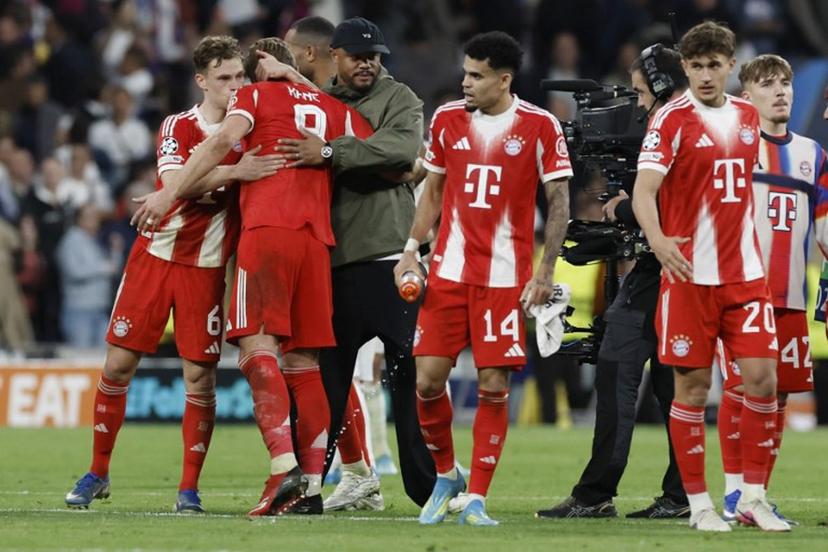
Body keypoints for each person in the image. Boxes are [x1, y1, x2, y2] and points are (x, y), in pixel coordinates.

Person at [142, 37, 373, 516]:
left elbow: (223, 141)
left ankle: (281, 466)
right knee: (305, 364)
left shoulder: (253, 97)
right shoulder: (329, 106)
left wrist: (169, 195)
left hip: (268, 230)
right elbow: (373, 144)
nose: (238, 84)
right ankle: (309, 487)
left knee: (254, 349)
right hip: (318, 241)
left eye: (243, 74)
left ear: (259, 71)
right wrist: (303, 84)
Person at [64, 35, 279, 513]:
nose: (235, 85)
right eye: (224, 78)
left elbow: (185, 185)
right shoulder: (177, 126)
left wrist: (229, 172)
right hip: (154, 257)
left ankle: (188, 490)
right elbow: (172, 185)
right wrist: (234, 172)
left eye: (241, 76)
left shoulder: (253, 127)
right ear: (202, 81)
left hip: (205, 268)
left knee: (199, 380)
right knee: (118, 366)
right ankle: (98, 472)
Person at [394, 31, 572, 526]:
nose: (465, 82)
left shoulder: (540, 125)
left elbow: (557, 200)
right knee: (427, 382)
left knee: (494, 385)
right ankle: (447, 474)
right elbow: (433, 189)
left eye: (476, 75)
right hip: (447, 272)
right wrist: (411, 250)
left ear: (503, 79)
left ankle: (477, 495)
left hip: (503, 278)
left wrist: (545, 269)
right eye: (465, 73)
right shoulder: (448, 118)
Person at [259, 16, 435, 510]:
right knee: (324, 381)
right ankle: (308, 489)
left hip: (390, 258)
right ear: (334, 57)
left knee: (409, 376)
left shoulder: (400, 98)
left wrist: (331, 152)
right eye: (358, 56)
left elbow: (401, 149)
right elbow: (389, 158)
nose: (368, 64)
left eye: (375, 55)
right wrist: (374, 161)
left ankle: (427, 490)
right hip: (331, 261)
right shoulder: (319, 101)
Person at [630, 21, 789, 533]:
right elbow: (644, 190)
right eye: (695, 66)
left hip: (744, 275)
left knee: (763, 380)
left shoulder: (747, 115)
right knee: (693, 390)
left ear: (729, 65)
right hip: (689, 277)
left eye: (713, 64)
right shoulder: (671, 120)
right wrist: (657, 240)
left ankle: (754, 498)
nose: (704, 75)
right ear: (685, 67)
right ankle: (699, 503)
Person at [537, 45, 690, 520]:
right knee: (675, 383)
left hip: (665, 267)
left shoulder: (674, 121)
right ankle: (683, 495)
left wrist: (622, 207)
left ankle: (596, 493)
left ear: (662, 86)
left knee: (619, 364)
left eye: (643, 93)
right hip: (682, 269)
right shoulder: (704, 120)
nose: (640, 105)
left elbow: (667, 206)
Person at [716, 54, 828, 522]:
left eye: (785, 83)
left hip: (790, 295)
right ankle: (734, 491)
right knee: (743, 390)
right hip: (741, 292)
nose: (781, 90)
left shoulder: (814, 155)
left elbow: (823, 231)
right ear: (746, 96)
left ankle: (757, 494)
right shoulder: (731, 148)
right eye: (767, 84)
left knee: (778, 395)